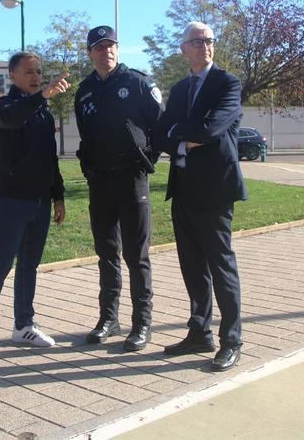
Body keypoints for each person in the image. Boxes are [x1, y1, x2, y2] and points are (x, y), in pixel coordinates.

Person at [0, 52, 70, 362]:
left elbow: (51, 159)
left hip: (39, 203)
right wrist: (44, 96)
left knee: (28, 266)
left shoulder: (43, 114)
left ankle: (24, 325)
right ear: (13, 76)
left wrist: (58, 196)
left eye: (39, 71)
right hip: (11, 202)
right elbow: (11, 119)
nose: (36, 76)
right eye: (29, 72)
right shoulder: (2, 107)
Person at [155, 21, 247, 372]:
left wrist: (180, 133)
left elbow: (211, 129)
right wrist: (183, 136)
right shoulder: (179, 90)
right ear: (184, 49)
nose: (205, 45)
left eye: (209, 40)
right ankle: (199, 331)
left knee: (221, 265)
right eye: (197, 41)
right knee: (192, 267)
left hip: (216, 189)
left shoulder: (228, 83)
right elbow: (161, 134)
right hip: (183, 189)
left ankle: (231, 339)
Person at [75, 25, 163, 351]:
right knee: (106, 253)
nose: (106, 51)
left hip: (132, 180)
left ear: (117, 48)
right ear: (90, 53)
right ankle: (109, 319)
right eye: (99, 47)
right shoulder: (83, 91)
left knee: (136, 255)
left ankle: (142, 324)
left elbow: (160, 126)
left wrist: (145, 160)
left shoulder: (138, 83)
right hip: (100, 182)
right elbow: (86, 134)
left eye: (110, 45)